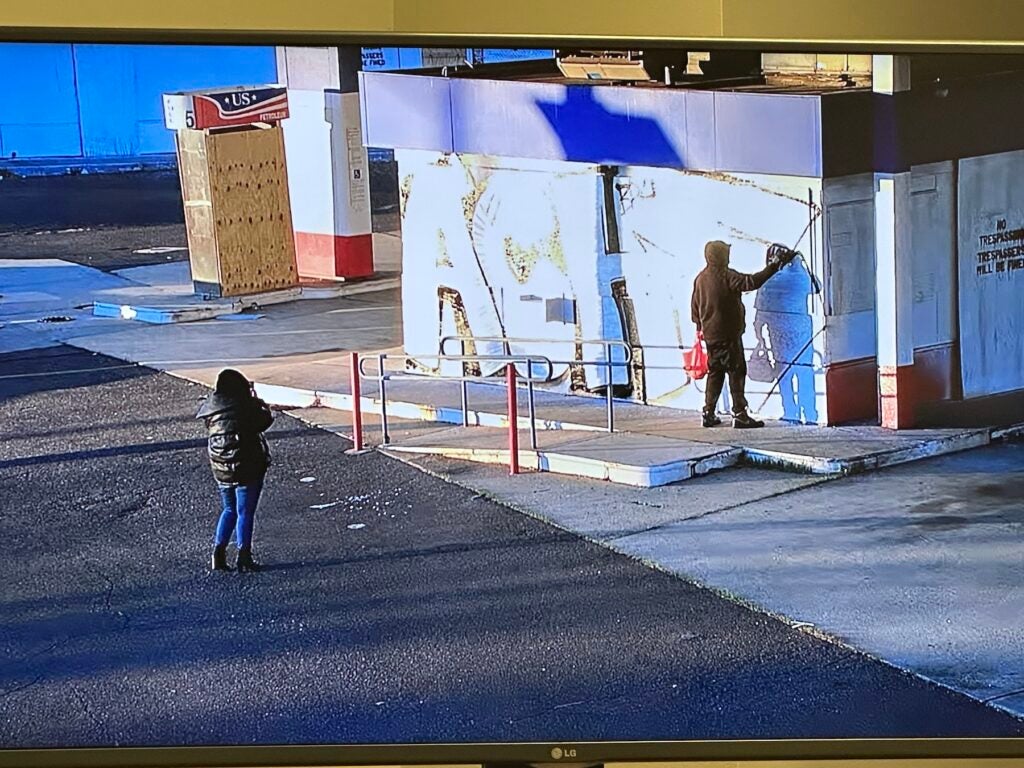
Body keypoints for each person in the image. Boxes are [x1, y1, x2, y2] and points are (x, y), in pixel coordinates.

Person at [691, 240, 795, 428]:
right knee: (736, 372)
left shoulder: (700, 279)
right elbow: (752, 282)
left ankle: (708, 412)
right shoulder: (726, 276)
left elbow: (695, 310)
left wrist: (702, 328)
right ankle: (740, 414)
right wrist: (774, 265)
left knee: (715, 373)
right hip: (728, 335)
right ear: (721, 256)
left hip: (711, 336)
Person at [196, 368, 273, 572]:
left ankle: (218, 554)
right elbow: (265, 421)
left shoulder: (211, 409)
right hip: (246, 467)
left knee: (229, 509)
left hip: (221, 468)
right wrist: (258, 401)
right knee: (245, 512)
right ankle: (244, 556)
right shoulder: (244, 406)